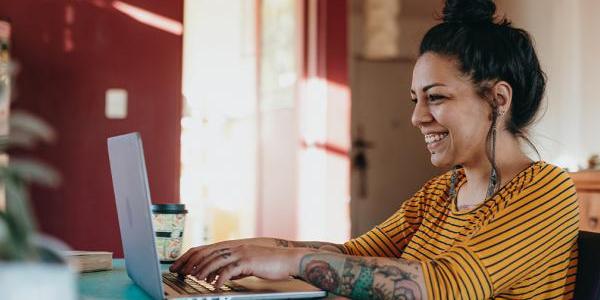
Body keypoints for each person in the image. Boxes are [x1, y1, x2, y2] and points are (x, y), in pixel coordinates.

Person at [170, 0, 579, 298]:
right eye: (415, 99)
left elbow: (449, 285)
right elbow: (351, 256)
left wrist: (289, 262)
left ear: (498, 99)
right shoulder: (441, 194)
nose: (418, 117)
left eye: (435, 98)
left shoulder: (547, 190)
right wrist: (247, 251)